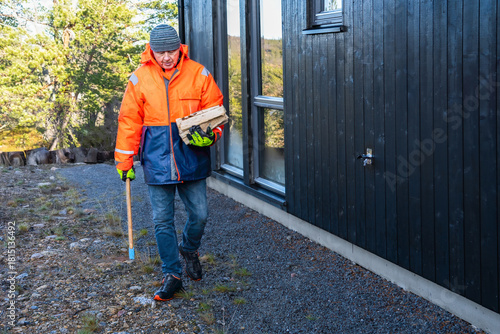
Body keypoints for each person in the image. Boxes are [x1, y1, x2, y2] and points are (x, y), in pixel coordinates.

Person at [114, 24, 224, 301]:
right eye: (160, 51)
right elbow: (129, 121)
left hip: (192, 157)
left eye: (171, 51)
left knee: (200, 215)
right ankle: (172, 274)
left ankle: (189, 248)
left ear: (180, 49)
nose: (166, 57)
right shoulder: (139, 79)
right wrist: (124, 159)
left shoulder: (199, 73)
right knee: (162, 220)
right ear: (151, 51)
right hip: (156, 158)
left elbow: (216, 112)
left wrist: (211, 135)